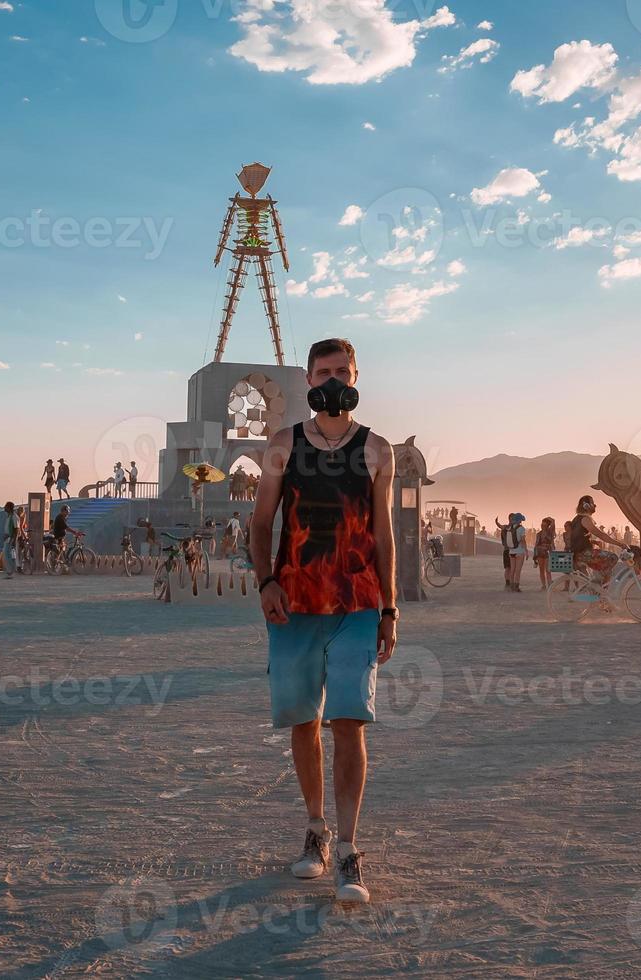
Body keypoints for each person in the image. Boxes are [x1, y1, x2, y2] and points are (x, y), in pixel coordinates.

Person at [250, 337, 396, 905]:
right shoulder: (282, 446)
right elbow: (261, 522)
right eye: (323, 373)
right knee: (304, 720)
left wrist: (390, 606)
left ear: (356, 376)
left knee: (349, 720)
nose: (332, 381)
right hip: (294, 601)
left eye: (342, 371)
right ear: (309, 382)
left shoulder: (377, 449)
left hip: (358, 601)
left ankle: (351, 849)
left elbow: (384, 535)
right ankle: (317, 831)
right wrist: (265, 581)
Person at [567, 494, 627, 581]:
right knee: (613, 557)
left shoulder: (577, 519)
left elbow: (578, 538)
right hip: (584, 554)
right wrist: (620, 544)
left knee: (597, 571)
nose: (595, 505)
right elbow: (601, 535)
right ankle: (600, 585)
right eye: (593, 503)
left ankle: (596, 586)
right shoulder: (585, 519)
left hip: (578, 554)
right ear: (586, 506)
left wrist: (593, 542)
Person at [533, 516, 556, 590]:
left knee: (548, 569)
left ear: (547, 526)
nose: (542, 526)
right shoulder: (538, 534)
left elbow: (553, 521)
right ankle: (543, 585)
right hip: (540, 552)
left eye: (544, 525)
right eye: (542, 525)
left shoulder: (550, 532)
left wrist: (547, 518)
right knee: (541, 569)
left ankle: (549, 585)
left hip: (548, 552)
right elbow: (536, 545)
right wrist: (535, 557)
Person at [2, 501, 19, 577]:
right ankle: (9, 571)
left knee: (9, 555)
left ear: (9, 508)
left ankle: (11, 571)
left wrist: (14, 540)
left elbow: (16, 529)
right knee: (6, 555)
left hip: (11, 538)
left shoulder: (14, 517)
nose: (4, 508)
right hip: (7, 538)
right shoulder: (9, 516)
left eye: (6, 506)